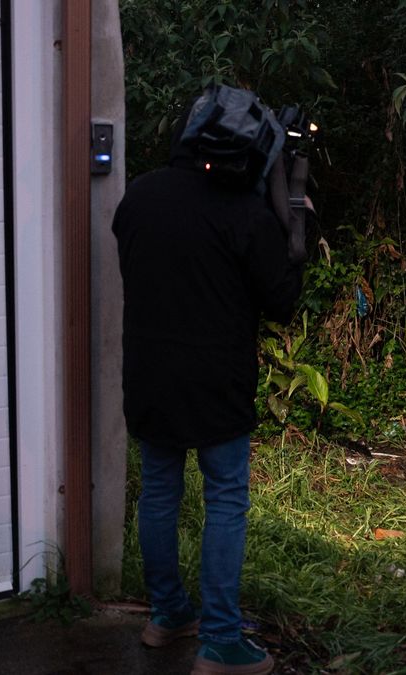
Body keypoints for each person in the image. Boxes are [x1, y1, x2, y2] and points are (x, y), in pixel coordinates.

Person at [112, 97, 304, 675]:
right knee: (225, 499)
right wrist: (294, 212)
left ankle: (167, 614)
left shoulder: (137, 198)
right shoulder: (244, 215)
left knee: (160, 493)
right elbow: (282, 302)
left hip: (148, 375)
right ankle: (220, 640)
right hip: (217, 381)